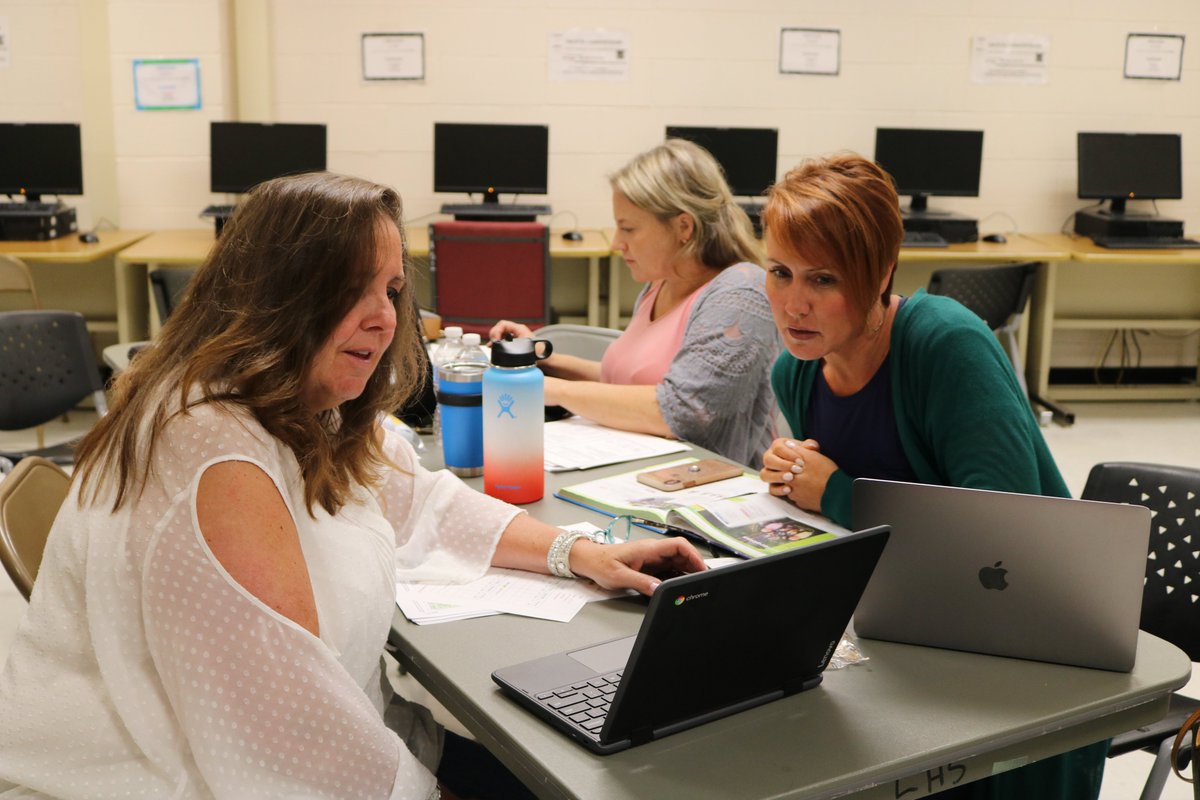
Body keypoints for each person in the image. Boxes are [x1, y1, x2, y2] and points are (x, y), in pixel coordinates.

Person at [0, 172, 705, 800]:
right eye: (351, 289)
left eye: (392, 290)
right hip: (180, 773)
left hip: (325, 743)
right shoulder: (211, 449)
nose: (384, 317)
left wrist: (579, 553)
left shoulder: (300, 398)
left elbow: (418, 498)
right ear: (276, 296)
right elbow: (287, 732)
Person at [757, 154, 1102, 799]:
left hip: (1026, 650)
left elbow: (999, 542)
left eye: (824, 280)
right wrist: (791, 479)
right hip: (906, 634)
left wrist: (835, 492)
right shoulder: (797, 372)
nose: (793, 303)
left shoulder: (946, 346)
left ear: (881, 274)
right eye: (779, 272)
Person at [491, 138, 780, 468]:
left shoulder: (741, 293)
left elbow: (681, 409)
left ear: (683, 226)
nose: (617, 243)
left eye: (628, 228)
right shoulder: (660, 283)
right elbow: (631, 382)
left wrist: (543, 388)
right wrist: (542, 359)